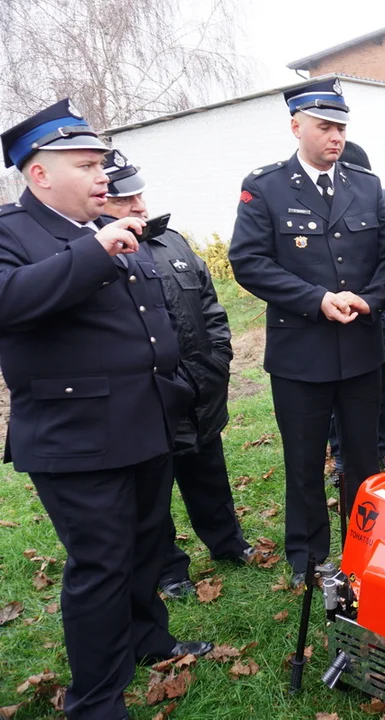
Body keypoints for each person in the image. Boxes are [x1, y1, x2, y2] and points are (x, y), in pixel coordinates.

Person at [0, 99, 210, 719]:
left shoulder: (104, 229)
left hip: (145, 417)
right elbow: (8, 301)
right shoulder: (11, 232)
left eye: (102, 164)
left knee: (147, 545)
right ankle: (95, 700)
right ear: (39, 174)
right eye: (87, 165)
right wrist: (94, 254)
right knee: (100, 565)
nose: (102, 177)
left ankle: (150, 639)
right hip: (77, 435)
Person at [228, 78, 385, 588]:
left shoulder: (365, 185)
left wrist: (370, 299)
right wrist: (316, 300)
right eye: (325, 126)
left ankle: (363, 547)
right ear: (296, 126)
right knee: (303, 459)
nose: (336, 137)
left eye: (342, 127)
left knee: (363, 459)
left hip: (361, 350)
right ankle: (306, 555)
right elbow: (248, 261)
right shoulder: (267, 186)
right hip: (301, 353)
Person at [100, 149, 255, 599]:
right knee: (152, 491)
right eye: (125, 200)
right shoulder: (95, 255)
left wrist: (218, 357)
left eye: (140, 195)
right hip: (145, 396)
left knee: (208, 470)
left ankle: (228, 544)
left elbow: (209, 306)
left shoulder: (172, 242)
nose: (139, 207)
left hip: (199, 383)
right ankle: (169, 570)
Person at [327, 141, 385, 477]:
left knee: (344, 391)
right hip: (379, 312)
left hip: (360, 312)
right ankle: (384, 450)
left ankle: (348, 457)